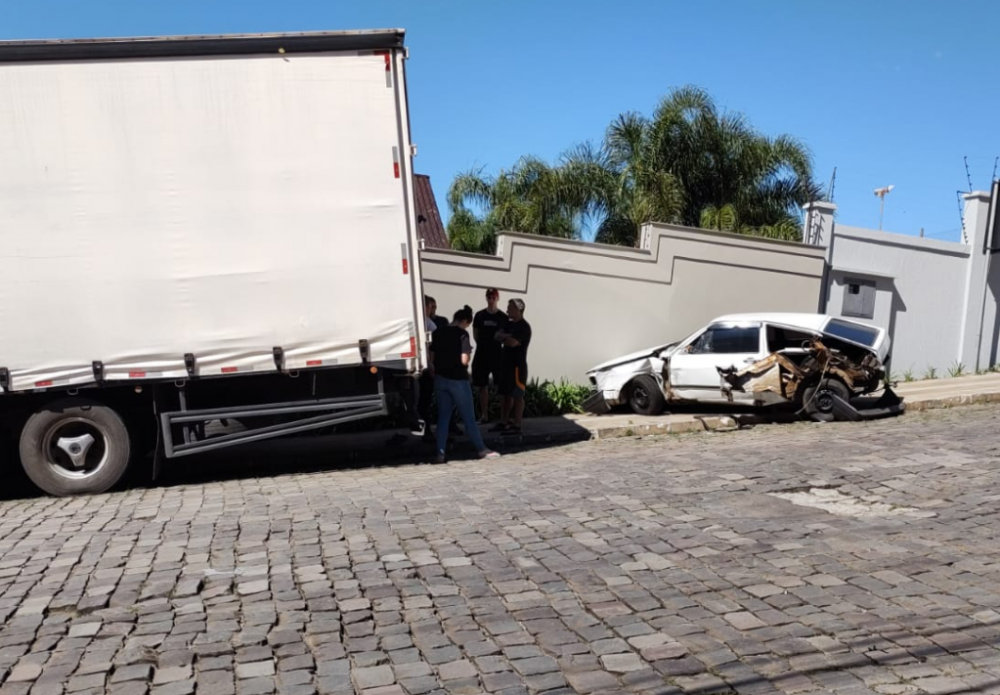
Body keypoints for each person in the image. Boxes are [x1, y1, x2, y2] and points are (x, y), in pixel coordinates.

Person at [429, 305, 500, 464]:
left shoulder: (438, 333)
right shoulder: (462, 335)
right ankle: (481, 449)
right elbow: (464, 360)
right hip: (458, 380)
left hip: (441, 380)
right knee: (468, 417)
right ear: (465, 321)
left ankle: (440, 453)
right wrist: (468, 353)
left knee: (443, 417)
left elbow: (431, 358)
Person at [494, 298, 532, 435]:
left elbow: (513, 342)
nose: (507, 310)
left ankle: (517, 424)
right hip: (505, 364)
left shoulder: (523, 327)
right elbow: (496, 335)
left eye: (510, 308)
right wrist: (506, 336)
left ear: (518, 310)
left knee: (517, 395)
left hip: (517, 366)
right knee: (505, 395)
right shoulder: (508, 324)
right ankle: (504, 422)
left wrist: (505, 337)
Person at [472, 288, 508, 424]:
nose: (491, 300)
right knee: (482, 385)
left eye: (493, 298)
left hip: (497, 354)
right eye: (489, 297)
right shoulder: (480, 315)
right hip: (482, 353)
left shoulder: (503, 317)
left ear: (497, 299)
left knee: (501, 385)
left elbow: (506, 335)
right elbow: (475, 333)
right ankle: (484, 415)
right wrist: (482, 344)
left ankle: (502, 417)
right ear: (486, 298)